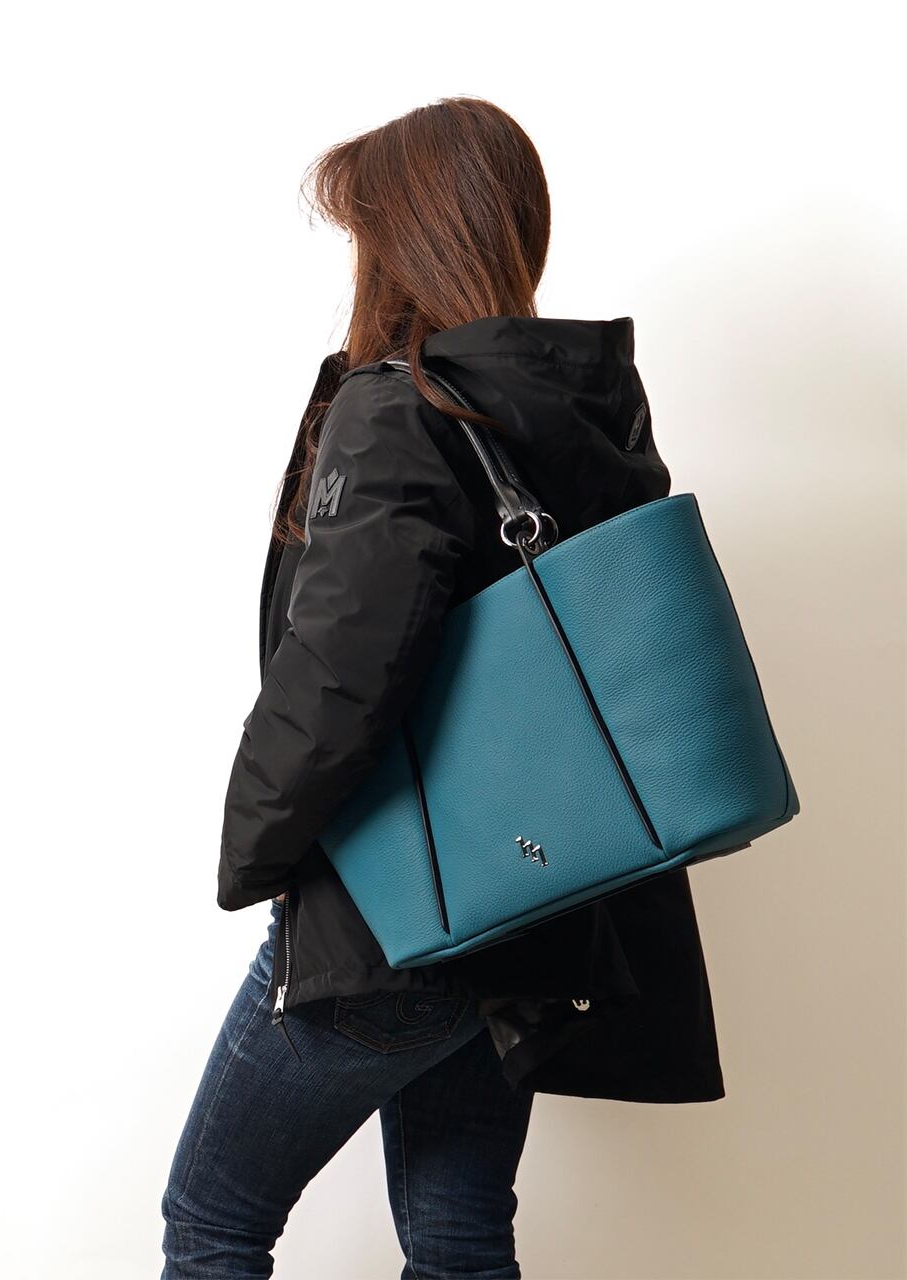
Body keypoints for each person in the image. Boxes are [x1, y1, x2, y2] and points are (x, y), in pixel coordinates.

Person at [161, 96, 725, 1280]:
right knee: (459, 1237)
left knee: (213, 1218)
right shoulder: (581, 410)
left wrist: (254, 851)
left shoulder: (398, 409)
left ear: (400, 236)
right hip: (536, 908)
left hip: (393, 914)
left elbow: (341, 675)